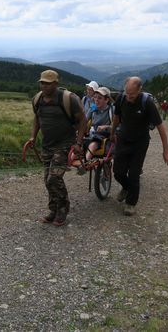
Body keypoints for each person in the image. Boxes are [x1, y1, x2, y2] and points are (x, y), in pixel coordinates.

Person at [26, 70, 86, 226]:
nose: (43, 85)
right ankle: (53, 209)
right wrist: (33, 136)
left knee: (54, 178)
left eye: (47, 83)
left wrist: (78, 143)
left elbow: (82, 120)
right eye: (41, 82)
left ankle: (63, 209)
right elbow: (37, 119)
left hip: (65, 144)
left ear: (56, 84)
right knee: (47, 180)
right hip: (47, 145)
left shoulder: (68, 99)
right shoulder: (37, 99)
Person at [111, 77, 168, 216]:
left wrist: (166, 151)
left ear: (139, 90)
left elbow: (160, 127)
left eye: (131, 94)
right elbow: (116, 117)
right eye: (127, 93)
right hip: (123, 139)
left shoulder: (147, 103)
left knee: (134, 174)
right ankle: (126, 188)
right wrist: (112, 132)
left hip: (140, 143)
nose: (128, 97)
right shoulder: (121, 99)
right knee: (118, 172)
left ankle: (131, 204)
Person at [85, 87, 113, 162]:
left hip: (106, 135)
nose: (96, 100)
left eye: (99, 98)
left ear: (106, 100)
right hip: (93, 133)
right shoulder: (92, 108)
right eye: (95, 97)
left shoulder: (112, 110)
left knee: (93, 144)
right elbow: (84, 121)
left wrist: (106, 127)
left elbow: (119, 126)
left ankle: (85, 163)